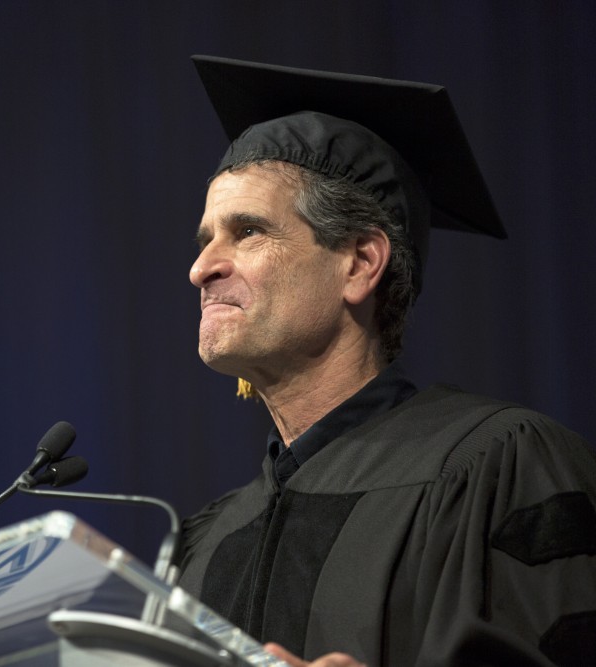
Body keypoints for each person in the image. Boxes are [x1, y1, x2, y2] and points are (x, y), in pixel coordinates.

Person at [176, 56, 596, 666]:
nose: (201, 268)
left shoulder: (503, 468)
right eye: (206, 239)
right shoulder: (206, 541)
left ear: (360, 264)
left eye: (247, 232)